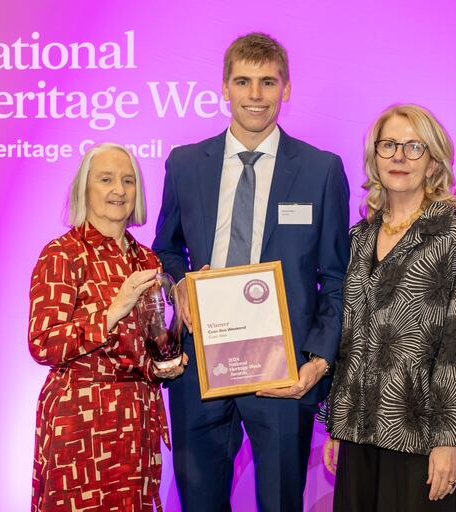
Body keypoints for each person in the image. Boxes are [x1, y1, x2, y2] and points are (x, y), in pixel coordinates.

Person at [152, 32, 350, 511]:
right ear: (224, 87)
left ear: (287, 88)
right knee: (198, 501)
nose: (255, 95)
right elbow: (166, 249)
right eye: (243, 81)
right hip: (200, 362)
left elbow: (338, 278)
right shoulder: (185, 164)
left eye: (268, 82)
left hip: (282, 370)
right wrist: (182, 292)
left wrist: (317, 362)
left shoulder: (322, 170)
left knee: (281, 503)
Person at [323, 104, 456, 511]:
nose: (399, 156)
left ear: (433, 162)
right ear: (374, 157)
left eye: (414, 147)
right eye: (389, 145)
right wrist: (335, 424)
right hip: (358, 433)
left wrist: (451, 438)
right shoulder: (358, 238)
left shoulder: (452, 232)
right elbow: (348, 339)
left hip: (420, 436)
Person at [28, 143, 184, 511]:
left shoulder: (146, 258)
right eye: (106, 179)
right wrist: (113, 310)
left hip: (136, 421)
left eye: (128, 181)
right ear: (85, 188)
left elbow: (149, 346)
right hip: (81, 419)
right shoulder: (62, 254)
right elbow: (43, 343)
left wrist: (167, 362)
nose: (119, 190)